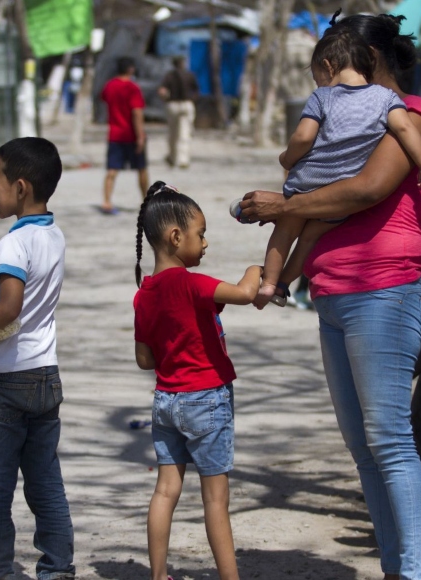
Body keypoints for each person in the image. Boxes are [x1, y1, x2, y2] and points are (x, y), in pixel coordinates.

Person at [237, 12, 421, 580]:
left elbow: (366, 190)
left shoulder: (412, 115)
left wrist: (283, 205)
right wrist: (284, 262)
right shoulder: (343, 116)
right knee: (364, 448)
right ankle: (397, 568)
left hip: (384, 291)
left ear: (364, 60)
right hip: (333, 293)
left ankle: (419, 572)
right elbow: (322, 195)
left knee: (390, 441)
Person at [238, 28, 421, 308]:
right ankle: (284, 284)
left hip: (308, 183)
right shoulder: (387, 99)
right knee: (309, 237)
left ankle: (269, 284)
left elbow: (304, 137)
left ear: (328, 66)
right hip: (342, 195)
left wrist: (287, 158)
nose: (318, 82)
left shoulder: (323, 97)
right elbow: (404, 128)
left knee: (285, 232)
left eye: (316, 75)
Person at [133, 182, 262, 580]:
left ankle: (158, 575)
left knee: (165, 491)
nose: (205, 243)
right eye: (200, 234)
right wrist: (256, 269)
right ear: (176, 237)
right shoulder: (193, 283)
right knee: (215, 500)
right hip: (206, 400)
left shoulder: (143, 294)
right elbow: (245, 293)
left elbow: (144, 360)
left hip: (166, 401)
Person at [0, 137, 75, 580]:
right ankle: (58, 569)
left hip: (4, 380)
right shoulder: (51, 235)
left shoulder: (14, 243)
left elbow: (8, 306)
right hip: (43, 375)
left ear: (20, 187)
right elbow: (1, 282)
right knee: (45, 483)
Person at [101, 56, 149, 214]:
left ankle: (107, 201)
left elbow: (104, 99)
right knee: (141, 169)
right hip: (131, 135)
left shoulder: (109, 86)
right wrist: (140, 135)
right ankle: (146, 202)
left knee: (112, 170)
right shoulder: (132, 88)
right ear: (131, 69)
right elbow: (137, 113)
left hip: (115, 134)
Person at [157, 56, 199, 169]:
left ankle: (173, 157)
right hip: (187, 104)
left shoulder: (169, 76)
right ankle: (183, 159)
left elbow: (162, 91)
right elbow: (196, 90)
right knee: (185, 132)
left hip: (173, 104)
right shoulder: (189, 75)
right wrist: (192, 100)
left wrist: (164, 98)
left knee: (173, 133)